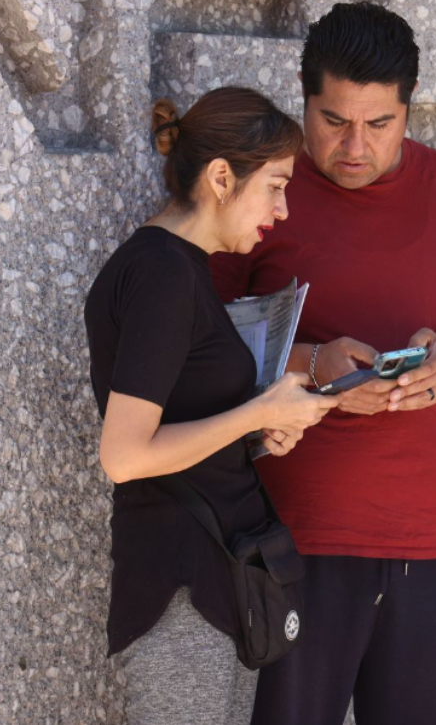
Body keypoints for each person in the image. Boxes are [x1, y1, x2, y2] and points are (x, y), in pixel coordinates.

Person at [210, 2, 436, 725]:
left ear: (407, 110)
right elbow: (195, 341)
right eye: (333, 121)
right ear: (304, 100)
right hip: (294, 544)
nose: (354, 145)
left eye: (379, 124)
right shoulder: (261, 188)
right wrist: (310, 366)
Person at [83, 87, 340, 725]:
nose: (283, 210)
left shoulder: (183, 268)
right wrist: (255, 414)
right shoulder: (163, 274)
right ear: (222, 177)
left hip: (217, 573)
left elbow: (177, 420)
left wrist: (259, 431)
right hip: (181, 582)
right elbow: (123, 456)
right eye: (276, 186)